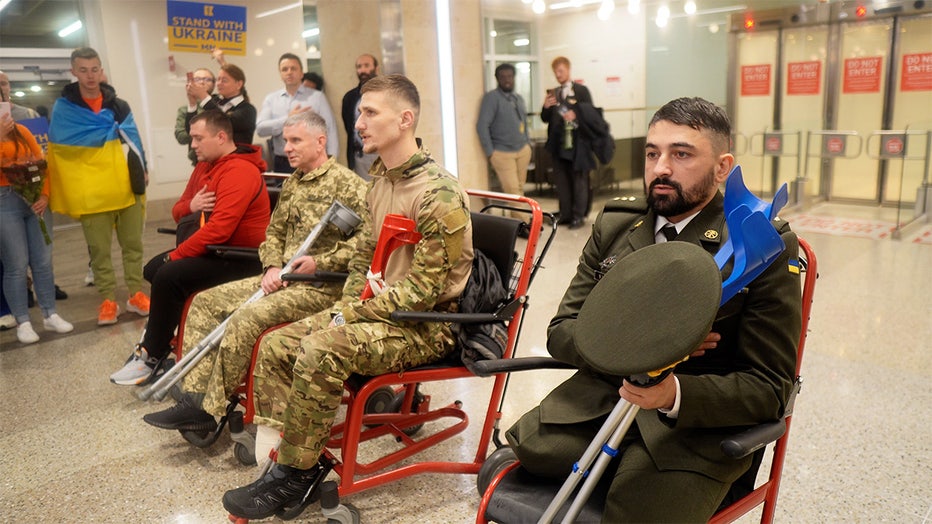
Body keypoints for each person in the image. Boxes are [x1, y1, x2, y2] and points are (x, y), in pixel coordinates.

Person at [504, 97, 803, 522]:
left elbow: (769, 388)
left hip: (691, 434)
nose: (661, 168)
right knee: (511, 471)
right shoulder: (617, 225)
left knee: (636, 509)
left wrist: (673, 393)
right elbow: (562, 332)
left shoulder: (759, 244)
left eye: (681, 154)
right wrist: (639, 342)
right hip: (597, 409)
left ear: (722, 167)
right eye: (652, 153)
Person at [221, 74, 474, 520]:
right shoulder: (380, 182)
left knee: (320, 349)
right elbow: (363, 261)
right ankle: (292, 459)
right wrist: (347, 306)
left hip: (427, 325)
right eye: (359, 112)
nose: (359, 122)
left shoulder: (438, 193)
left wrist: (351, 312)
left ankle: (295, 474)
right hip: (380, 313)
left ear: (405, 119)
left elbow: (424, 291)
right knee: (278, 343)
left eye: (370, 112)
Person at [141, 110, 367, 429]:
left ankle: (212, 408)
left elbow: (364, 246)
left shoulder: (350, 186)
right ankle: (193, 398)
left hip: (319, 285)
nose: (287, 147)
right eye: (286, 140)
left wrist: (320, 262)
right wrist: (272, 264)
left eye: (295, 140)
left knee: (247, 318)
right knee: (206, 302)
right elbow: (273, 232)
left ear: (321, 141)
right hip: (281, 277)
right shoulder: (294, 184)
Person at [109, 110, 270, 386]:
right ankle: (164, 337)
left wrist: (174, 255)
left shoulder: (240, 171)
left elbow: (220, 229)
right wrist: (192, 206)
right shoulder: (205, 166)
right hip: (217, 250)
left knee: (169, 274)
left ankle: (152, 354)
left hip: (242, 258)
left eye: (198, 138)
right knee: (155, 269)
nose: (192, 144)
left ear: (221, 137)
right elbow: (178, 210)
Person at [47, 47, 150, 326]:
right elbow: (59, 150)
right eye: (83, 70)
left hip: (125, 187)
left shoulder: (119, 105)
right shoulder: (65, 109)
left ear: (101, 69)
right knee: (99, 252)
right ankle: (107, 299)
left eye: (94, 69)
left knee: (133, 245)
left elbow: (134, 140)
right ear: (73, 71)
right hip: (91, 191)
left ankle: (136, 293)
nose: (90, 76)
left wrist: (144, 168)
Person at [1, 102, 73, 344]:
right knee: (16, 264)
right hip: (4, 202)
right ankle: (23, 321)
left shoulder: (23, 131)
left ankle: (49, 313)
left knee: (43, 260)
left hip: (34, 199)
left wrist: (44, 195)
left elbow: (42, 164)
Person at [257, 53, 338, 173]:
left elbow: (330, 129)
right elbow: (261, 129)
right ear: (281, 75)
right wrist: (288, 119)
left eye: (293, 68)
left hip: (312, 162)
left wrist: (331, 159)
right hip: (283, 162)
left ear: (301, 73)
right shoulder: (271, 99)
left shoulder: (317, 97)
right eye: (284, 69)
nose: (289, 72)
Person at [541, 56, 594, 229]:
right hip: (558, 145)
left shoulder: (581, 91)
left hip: (578, 145)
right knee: (561, 180)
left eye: (561, 71)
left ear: (568, 70)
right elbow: (544, 118)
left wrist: (576, 114)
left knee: (579, 181)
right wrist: (546, 107)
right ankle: (565, 213)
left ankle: (579, 216)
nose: (558, 74)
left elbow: (590, 114)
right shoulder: (553, 93)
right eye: (555, 72)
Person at [477, 63, 532, 205]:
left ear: (514, 77)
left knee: (519, 189)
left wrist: (527, 143)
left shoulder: (518, 98)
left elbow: (524, 122)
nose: (507, 80)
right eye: (503, 77)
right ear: (497, 79)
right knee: (513, 192)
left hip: (522, 150)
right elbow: (482, 125)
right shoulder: (491, 98)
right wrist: (490, 152)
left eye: (510, 76)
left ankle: (521, 225)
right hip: (502, 153)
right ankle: (529, 225)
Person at [181, 64, 256, 149]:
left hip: (236, 158)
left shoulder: (247, 109)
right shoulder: (214, 101)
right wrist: (192, 103)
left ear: (239, 84)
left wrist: (204, 97)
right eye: (218, 79)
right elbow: (191, 130)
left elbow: (224, 122)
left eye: (224, 80)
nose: (219, 84)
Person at [340, 53, 380, 179]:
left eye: (366, 66)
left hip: (383, 155)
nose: (362, 70)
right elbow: (349, 127)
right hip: (361, 157)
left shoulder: (387, 94)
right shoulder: (349, 98)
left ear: (376, 68)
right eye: (359, 67)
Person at [175, 68, 216, 165]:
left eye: (207, 79)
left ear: (214, 84)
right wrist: (192, 105)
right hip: (199, 161)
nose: (202, 82)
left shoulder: (221, 104)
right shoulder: (185, 109)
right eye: (197, 79)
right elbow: (181, 137)